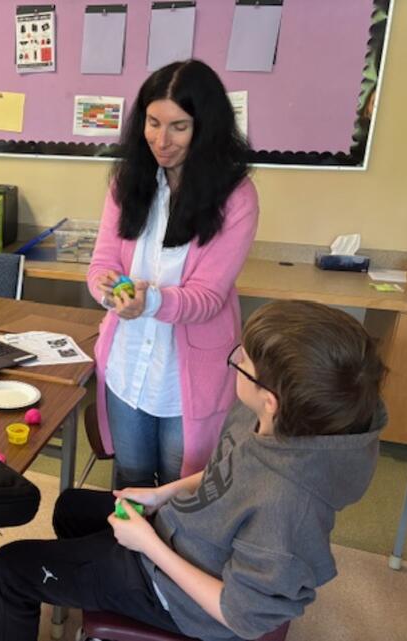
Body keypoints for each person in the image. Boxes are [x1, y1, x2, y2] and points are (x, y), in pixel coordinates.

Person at [0, 300, 387, 641]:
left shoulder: (288, 507)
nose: (235, 361)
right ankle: (85, 581)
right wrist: (161, 494)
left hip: (180, 598)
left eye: (243, 360)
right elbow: (226, 474)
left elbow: (241, 615)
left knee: (10, 568)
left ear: (271, 400)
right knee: (71, 507)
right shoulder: (277, 420)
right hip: (183, 534)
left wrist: (148, 545)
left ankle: (100, 580)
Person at [87, 60, 259, 488]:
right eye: (153, 123)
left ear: (206, 128)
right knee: (131, 479)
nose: (161, 141)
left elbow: (208, 297)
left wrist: (151, 301)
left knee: (181, 488)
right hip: (127, 365)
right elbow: (103, 262)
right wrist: (107, 290)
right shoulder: (127, 181)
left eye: (179, 127)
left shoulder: (236, 197)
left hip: (188, 378)